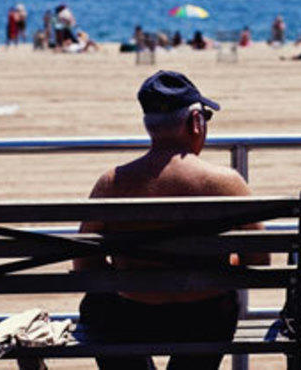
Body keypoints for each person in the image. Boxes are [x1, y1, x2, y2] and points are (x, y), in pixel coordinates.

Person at [73, 71, 270, 370]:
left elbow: (85, 264)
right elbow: (259, 258)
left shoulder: (112, 183)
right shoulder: (227, 183)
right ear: (195, 122)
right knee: (223, 303)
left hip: (131, 319)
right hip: (205, 321)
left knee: (96, 306)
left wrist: (133, 275)